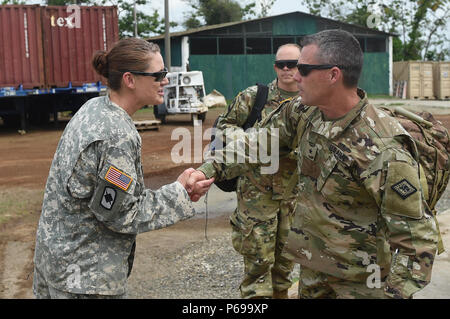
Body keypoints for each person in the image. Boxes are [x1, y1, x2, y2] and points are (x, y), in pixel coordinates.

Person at [189, 30, 438, 299]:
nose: (294, 76)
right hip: (313, 273)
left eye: (303, 69)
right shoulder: (304, 111)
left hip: (361, 285)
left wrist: (395, 294)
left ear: (333, 75)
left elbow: (417, 242)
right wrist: (207, 170)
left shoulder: (384, 148)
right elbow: (257, 143)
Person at [32, 38, 214, 299]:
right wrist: (180, 192)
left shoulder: (92, 109)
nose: (165, 80)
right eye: (158, 74)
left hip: (55, 265)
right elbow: (119, 215)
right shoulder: (117, 134)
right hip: (87, 280)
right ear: (130, 80)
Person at [215, 44, 300, 299]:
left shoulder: (309, 101)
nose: (286, 69)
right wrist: (250, 141)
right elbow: (223, 126)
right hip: (256, 195)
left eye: (293, 64)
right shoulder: (255, 96)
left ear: (303, 67)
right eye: (281, 65)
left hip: (293, 197)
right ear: (275, 67)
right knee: (258, 266)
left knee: (286, 265)